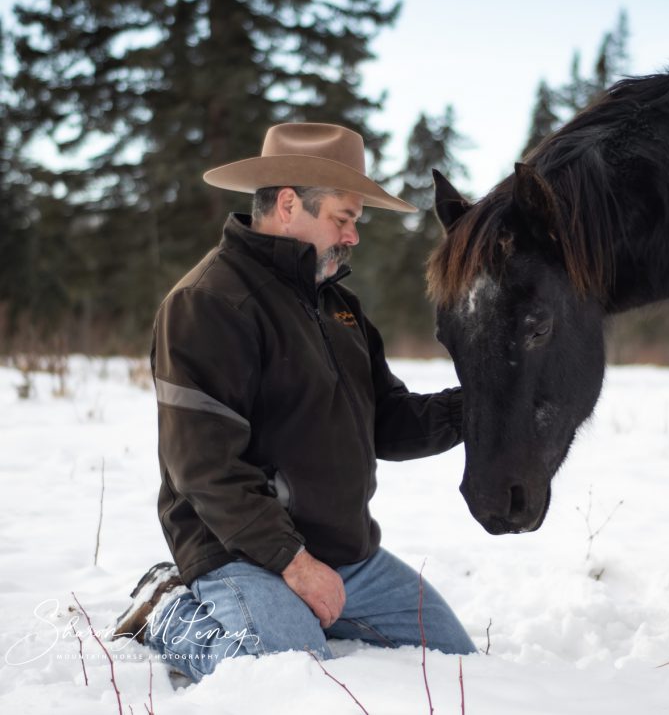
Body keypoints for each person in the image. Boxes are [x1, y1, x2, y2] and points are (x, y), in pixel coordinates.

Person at [110, 122, 475, 683]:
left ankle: (294, 616)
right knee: (288, 674)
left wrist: (477, 406)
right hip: (242, 552)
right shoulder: (209, 303)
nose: (353, 237)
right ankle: (168, 611)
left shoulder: (339, 306)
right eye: (344, 219)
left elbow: (390, 423)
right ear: (287, 204)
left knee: (456, 661)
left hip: (345, 553)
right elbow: (205, 469)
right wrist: (294, 565)